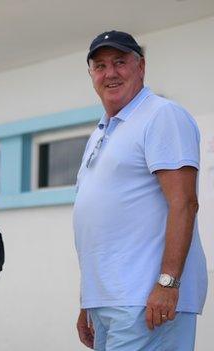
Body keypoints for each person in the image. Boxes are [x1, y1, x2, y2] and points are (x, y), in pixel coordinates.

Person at [74, 30, 208, 350]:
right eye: (100, 65)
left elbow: (184, 203)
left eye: (120, 62)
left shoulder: (161, 115)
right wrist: (88, 301)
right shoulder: (102, 131)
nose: (110, 73)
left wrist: (168, 284)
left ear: (141, 66)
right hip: (110, 300)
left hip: (147, 301)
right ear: (92, 74)